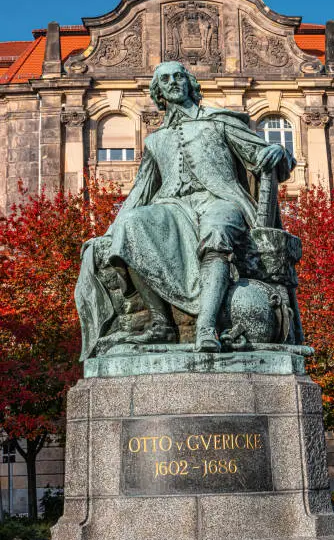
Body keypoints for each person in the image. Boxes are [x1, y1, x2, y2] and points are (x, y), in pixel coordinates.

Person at [75, 61, 295, 358]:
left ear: (190, 83)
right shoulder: (155, 140)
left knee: (216, 232)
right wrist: (110, 233)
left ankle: (206, 327)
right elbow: (139, 193)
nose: (173, 82)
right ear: (158, 92)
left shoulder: (219, 121)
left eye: (179, 76)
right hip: (173, 206)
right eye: (165, 79)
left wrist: (278, 151)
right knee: (131, 225)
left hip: (220, 200)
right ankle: (161, 322)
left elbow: (262, 155)